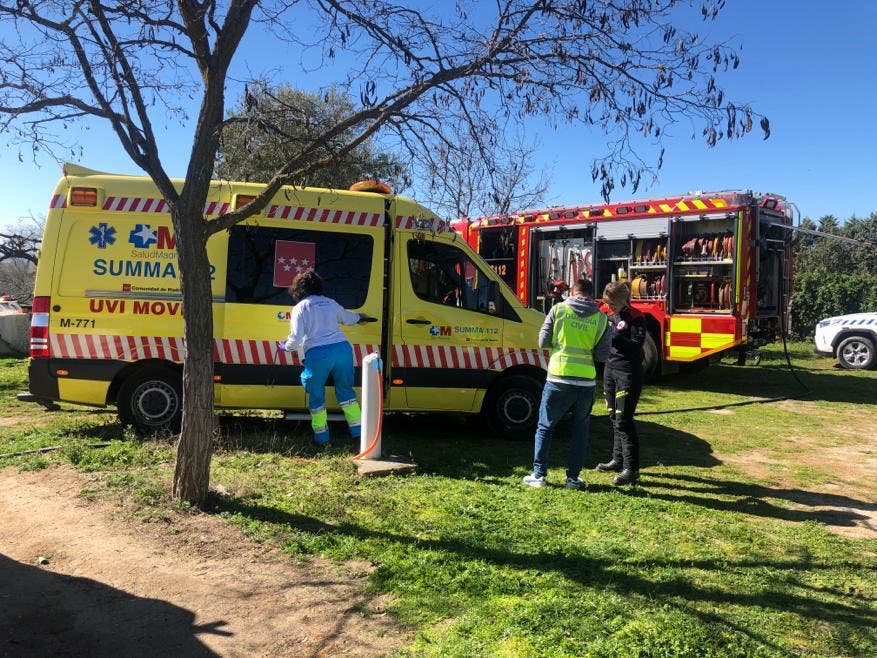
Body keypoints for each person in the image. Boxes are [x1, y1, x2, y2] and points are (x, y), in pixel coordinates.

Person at [523, 278, 611, 490]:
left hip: (558, 377)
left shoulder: (558, 310)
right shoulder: (601, 319)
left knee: (545, 426)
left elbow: (542, 342)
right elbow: (602, 355)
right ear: (591, 294)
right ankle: (573, 478)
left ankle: (539, 475)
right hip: (585, 382)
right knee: (580, 431)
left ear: (573, 291)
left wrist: (559, 344)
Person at [281, 270, 367, 446]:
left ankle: (322, 439)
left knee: (316, 395)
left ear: (298, 289)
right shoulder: (330, 303)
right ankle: (359, 433)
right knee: (346, 392)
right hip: (342, 350)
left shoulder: (300, 307)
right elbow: (348, 318)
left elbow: (296, 338)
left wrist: (285, 346)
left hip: (318, 354)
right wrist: (360, 317)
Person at [596, 281, 646, 486]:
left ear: (623, 300)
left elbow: (637, 346)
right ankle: (617, 460)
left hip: (628, 373)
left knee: (624, 420)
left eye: (613, 304)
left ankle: (631, 469)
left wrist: (615, 338)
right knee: (613, 417)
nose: (610, 308)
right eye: (608, 304)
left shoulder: (636, 317)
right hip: (610, 369)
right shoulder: (607, 314)